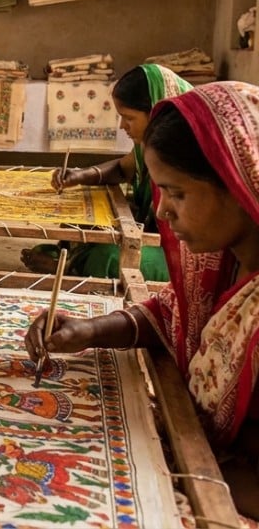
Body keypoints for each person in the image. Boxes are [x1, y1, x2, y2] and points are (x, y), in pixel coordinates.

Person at [24, 81, 259, 520]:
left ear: (241, 183)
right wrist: (90, 331)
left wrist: (172, 471)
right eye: (160, 191)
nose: (164, 211)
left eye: (178, 193)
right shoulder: (221, 263)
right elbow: (172, 314)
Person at [21, 65, 191, 281]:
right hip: (152, 233)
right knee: (84, 219)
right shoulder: (151, 145)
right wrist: (78, 176)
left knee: (108, 255)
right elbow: (121, 168)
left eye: (129, 118)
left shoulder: (186, 156)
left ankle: (68, 268)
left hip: (181, 255)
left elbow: (184, 235)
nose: (122, 126)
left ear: (157, 112)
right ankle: (75, 261)